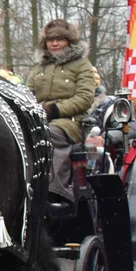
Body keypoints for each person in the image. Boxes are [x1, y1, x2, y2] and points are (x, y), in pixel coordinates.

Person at [26, 19, 96, 201]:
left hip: (70, 122)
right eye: (51, 40)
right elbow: (26, 93)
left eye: (60, 39)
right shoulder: (38, 68)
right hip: (38, 118)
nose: (54, 43)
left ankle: (56, 190)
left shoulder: (82, 65)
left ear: (69, 41)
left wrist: (54, 110)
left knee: (49, 133)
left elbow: (84, 98)